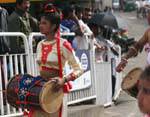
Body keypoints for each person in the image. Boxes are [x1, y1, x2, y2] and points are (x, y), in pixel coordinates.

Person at [31, 4, 84, 117]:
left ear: (54, 26)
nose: (40, 25)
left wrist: (64, 80)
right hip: (41, 91)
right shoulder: (40, 44)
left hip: (56, 92)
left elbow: (79, 68)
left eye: (44, 23)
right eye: (40, 22)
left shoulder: (63, 44)